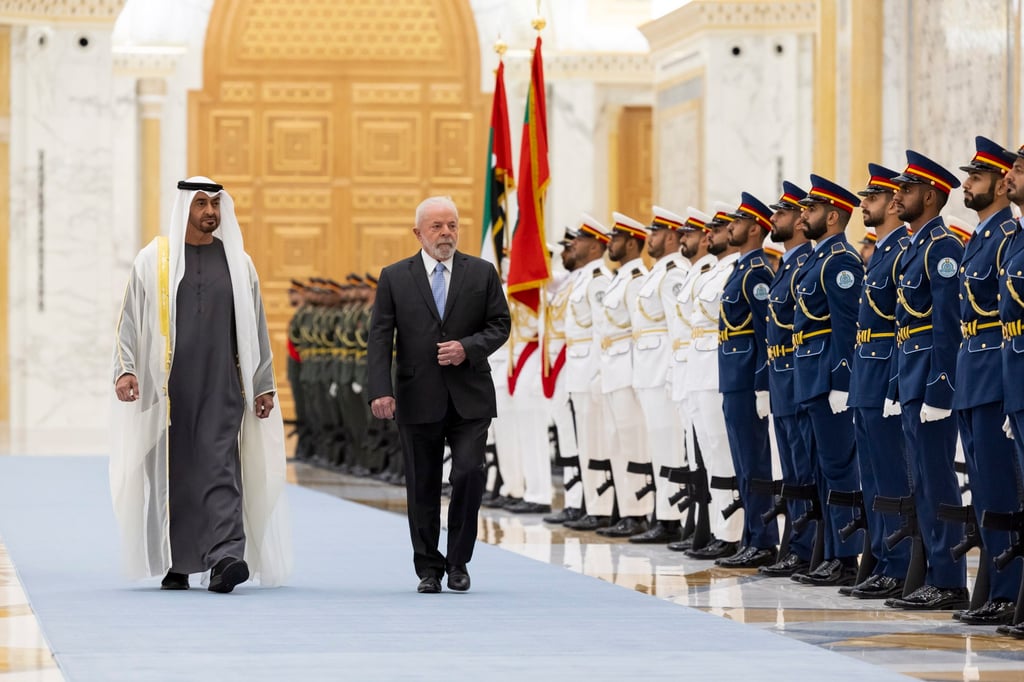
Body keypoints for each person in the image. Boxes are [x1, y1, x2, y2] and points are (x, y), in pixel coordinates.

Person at [110, 177, 291, 594]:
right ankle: (178, 561)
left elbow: (255, 328)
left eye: (215, 204)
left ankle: (226, 557)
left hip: (222, 385)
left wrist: (262, 384)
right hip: (168, 391)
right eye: (201, 204)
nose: (211, 212)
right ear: (184, 208)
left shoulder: (238, 263)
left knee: (221, 467)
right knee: (175, 473)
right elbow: (129, 321)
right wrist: (125, 370)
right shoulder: (152, 260)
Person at [367, 196, 510, 594]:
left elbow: (500, 325)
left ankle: (458, 561)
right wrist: (381, 389)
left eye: (452, 226)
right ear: (418, 233)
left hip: (470, 395)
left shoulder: (481, 273)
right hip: (417, 396)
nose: (446, 233)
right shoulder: (395, 276)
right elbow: (380, 337)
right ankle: (428, 568)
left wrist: (468, 347)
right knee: (423, 484)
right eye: (437, 227)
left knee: (468, 473)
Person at [886, 150, 968, 610]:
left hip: (930, 378)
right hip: (910, 375)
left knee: (938, 479)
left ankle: (950, 578)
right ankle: (933, 572)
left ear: (931, 196)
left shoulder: (943, 247)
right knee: (922, 479)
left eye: (907, 189)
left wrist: (941, 386)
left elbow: (946, 325)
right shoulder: (916, 245)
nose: (898, 197)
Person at [790, 174, 864, 587]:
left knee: (838, 468)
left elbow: (846, 327)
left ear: (833, 216)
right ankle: (829, 551)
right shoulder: (818, 259)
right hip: (809, 374)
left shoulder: (841, 261)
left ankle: (846, 555)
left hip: (826, 377)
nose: (805, 215)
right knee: (821, 468)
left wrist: (842, 381)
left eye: (812, 209)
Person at [844, 164, 912, 600]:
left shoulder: (901, 250)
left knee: (892, 477)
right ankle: (883, 560)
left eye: (871, 198)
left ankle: (900, 563)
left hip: (885, 373)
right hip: (866, 375)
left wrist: (893, 384)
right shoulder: (882, 253)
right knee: (873, 477)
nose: (863, 205)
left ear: (892, 203)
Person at [715, 193, 779, 568]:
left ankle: (764, 539)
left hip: (746, 378)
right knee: (743, 460)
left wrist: (761, 384)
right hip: (732, 376)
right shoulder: (741, 269)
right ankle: (751, 535)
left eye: (737, 223)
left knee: (754, 461)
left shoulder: (757, 272)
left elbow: (763, 333)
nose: (730, 228)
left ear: (755, 229)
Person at [759, 181, 816, 578]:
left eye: (780, 214)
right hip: (782, 378)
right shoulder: (787, 267)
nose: (772, 219)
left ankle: (809, 545)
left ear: (800, 220)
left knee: (806, 468)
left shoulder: (805, 265)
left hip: (799, 378)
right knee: (793, 470)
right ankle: (797, 543)